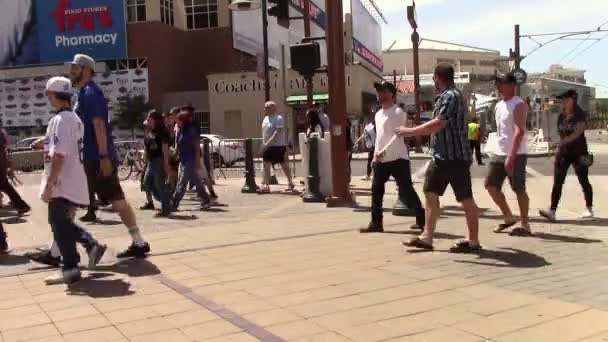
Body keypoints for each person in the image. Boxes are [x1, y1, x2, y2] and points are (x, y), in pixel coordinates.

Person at [70, 54, 150, 258]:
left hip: (96, 158)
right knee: (71, 200)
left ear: (85, 69)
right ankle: (138, 242)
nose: (71, 71)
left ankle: (136, 242)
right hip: (90, 157)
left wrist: (104, 156)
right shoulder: (83, 93)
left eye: (75, 67)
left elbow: (98, 125)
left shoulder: (91, 93)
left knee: (113, 200)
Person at [397, 63, 481, 253]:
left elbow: (439, 123)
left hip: (454, 158)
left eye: (434, 77)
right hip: (441, 156)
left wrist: (409, 131)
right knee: (430, 193)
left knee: (465, 198)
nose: (433, 80)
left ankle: (473, 240)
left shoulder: (451, 96)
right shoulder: (446, 96)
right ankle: (427, 237)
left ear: (437, 77)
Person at [39, 77, 107, 284]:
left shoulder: (60, 120)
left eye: (48, 94)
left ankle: (70, 267)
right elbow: (63, 145)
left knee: (59, 223)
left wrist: (50, 185)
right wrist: (43, 142)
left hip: (63, 181)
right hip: (72, 178)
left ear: (53, 95)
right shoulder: (74, 119)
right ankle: (89, 246)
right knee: (61, 223)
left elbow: (60, 155)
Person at [359, 81, 425, 233]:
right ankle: (376, 223)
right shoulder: (378, 114)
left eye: (384, 92)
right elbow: (380, 137)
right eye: (378, 92)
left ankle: (422, 220)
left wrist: (384, 151)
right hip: (381, 159)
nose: (380, 95)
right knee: (376, 190)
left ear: (392, 94)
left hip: (398, 158)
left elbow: (398, 135)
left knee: (406, 189)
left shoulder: (398, 112)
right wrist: (375, 156)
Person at [486, 72, 531, 237]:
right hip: (499, 152)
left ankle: (525, 224)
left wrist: (511, 156)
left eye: (502, 83)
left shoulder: (518, 104)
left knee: (518, 188)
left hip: (516, 153)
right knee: (491, 185)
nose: (498, 86)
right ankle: (508, 216)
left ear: (512, 85)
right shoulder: (498, 105)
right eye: (497, 83)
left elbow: (519, 131)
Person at [540, 89, 594, 221]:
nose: (563, 102)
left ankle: (589, 208)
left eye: (566, 99)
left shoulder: (579, 114)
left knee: (584, 180)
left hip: (579, 152)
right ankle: (552, 210)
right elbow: (560, 133)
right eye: (562, 99)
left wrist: (563, 141)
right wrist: (557, 145)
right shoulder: (562, 116)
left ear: (573, 99)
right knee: (558, 181)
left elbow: (578, 132)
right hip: (564, 153)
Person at [172, 107, 211, 210]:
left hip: (191, 159)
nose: (177, 122)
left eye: (179, 120)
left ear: (183, 120)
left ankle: (174, 203)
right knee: (197, 181)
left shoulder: (191, 131)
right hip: (184, 159)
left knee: (182, 182)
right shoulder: (181, 130)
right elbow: (179, 144)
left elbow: (197, 147)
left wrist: (197, 161)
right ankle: (206, 200)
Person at [143, 110, 174, 217]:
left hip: (159, 161)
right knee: (147, 183)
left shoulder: (162, 132)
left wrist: (166, 165)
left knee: (160, 185)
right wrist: (145, 160)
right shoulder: (150, 131)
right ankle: (166, 201)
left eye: (149, 119)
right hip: (151, 162)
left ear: (155, 120)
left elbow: (165, 151)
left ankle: (166, 209)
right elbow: (147, 147)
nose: (147, 121)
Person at [260, 101, 295, 193]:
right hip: (268, 145)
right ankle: (266, 185)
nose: (265, 109)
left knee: (284, 164)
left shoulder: (279, 118)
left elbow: (278, 131)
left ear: (273, 108)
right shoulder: (265, 119)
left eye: (267, 107)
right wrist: (264, 143)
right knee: (266, 164)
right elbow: (265, 133)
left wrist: (268, 142)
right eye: (265, 107)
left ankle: (290, 183)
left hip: (278, 145)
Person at [0, 128, 30, 215]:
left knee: (6, 186)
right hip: (2, 163)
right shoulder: (1, 133)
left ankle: (21, 206)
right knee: (6, 186)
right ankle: (21, 206)